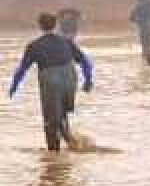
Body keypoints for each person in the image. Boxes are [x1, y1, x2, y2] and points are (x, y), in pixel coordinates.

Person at [8, 13, 94, 152]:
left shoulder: (34, 45)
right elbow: (85, 61)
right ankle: (73, 144)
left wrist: (14, 86)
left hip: (51, 80)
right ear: (55, 25)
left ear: (40, 25)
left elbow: (22, 68)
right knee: (61, 114)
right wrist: (88, 80)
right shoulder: (66, 41)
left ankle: (54, 156)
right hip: (70, 79)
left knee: (50, 120)